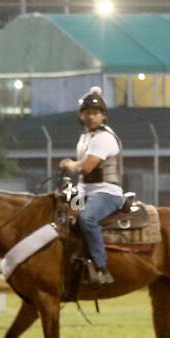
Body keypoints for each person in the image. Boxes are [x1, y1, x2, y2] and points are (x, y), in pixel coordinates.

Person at [58, 86, 121, 296]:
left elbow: (86, 167)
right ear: (81, 116)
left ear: (103, 116)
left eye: (95, 113)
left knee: (87, 219)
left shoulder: (104, 138)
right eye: (87, 113)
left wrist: (69, 164)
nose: (91, 117)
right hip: (84, 190)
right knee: (60, 214)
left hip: (106, 192)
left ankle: (101, 267)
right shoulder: (85, 138)